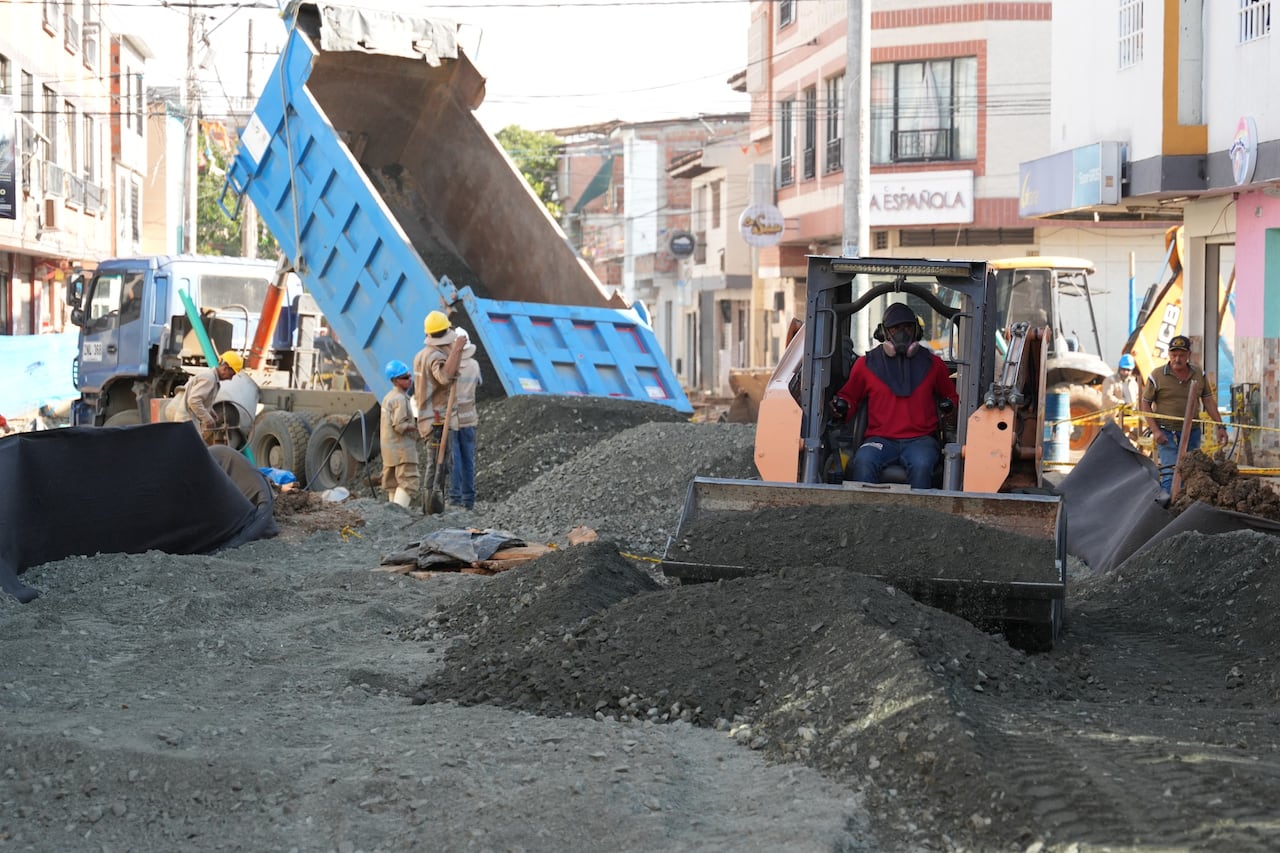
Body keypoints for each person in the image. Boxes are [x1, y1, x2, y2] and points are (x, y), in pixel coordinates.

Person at [829, 302, 959, 489]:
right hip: (879, 440)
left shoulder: (934, 365)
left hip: (921, 440)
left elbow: (951, 397)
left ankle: (921, 516)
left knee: (922, 464)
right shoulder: (865, 365)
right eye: (895, 328)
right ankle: (862, 516)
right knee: (864, 460)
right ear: (884, 333)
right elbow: (849, 397)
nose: (902, 333)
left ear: (916, 330)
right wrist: (841, 406)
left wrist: (950, 408)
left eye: (907, 327)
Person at [1139, 334, 1229, 492]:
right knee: (1171, 474)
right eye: (1174, 355)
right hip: (1167, 433)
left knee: (1192, 473)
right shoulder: (1157, 375)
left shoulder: (1198, 374)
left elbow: (1208, 401)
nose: (1177, 359)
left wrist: (1220, 426)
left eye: (1181, 355)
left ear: (1188, 355)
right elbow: (1145, 404)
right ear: (1169, 354)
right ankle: (1168, 510)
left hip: (1192, 432)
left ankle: (1186, 508)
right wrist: (1155, 430)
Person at [413, 310, 465, 502]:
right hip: (437, 419)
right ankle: (432, 503)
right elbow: (444, 377)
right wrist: (458, 349)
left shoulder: (421, 354)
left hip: (427, 417)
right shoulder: (435, 357)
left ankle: (432, 502)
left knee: (435, 462)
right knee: (438, 464)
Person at [448, 331, 482, 509]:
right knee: (468, 459)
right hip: (470, 417)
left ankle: (455, 497)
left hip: (454, 418)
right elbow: (479, 384)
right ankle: (469, 499)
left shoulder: (452, 367)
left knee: (455, 459)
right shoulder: (475, 365)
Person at [379, 360, 420, 509]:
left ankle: (392, 514)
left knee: (393, 484)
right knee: (408, 481)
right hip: (402, 449)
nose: (409, 380)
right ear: (395, 380)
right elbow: (400, 425)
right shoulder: (400, 399)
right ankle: (398, 514)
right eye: (405, 377)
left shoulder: (388, 397)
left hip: (389, 450)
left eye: (409, 376)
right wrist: (416, 428)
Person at [183, 350, 243, 446]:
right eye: (231, 374)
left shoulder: (213, 379)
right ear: (225, 368)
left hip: (187, 418)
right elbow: (194, 401)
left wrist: (211, 412)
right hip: (184, 419)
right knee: (194, 448)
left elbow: (202, 400)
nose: (231, 378)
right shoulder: (209, 378)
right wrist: (207, 418)